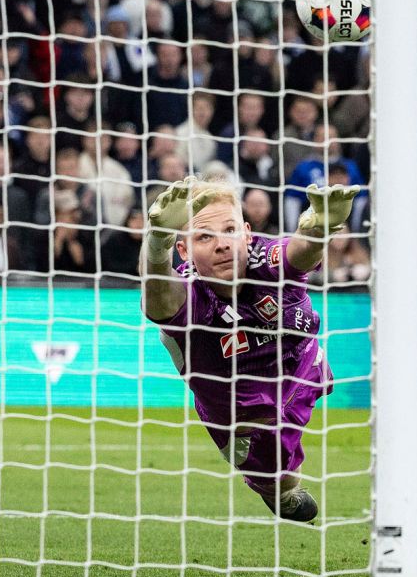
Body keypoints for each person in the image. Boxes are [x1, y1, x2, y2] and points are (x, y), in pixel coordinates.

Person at [141, 176, 359, 521]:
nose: (222, 244)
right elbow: (159, 303)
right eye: (204, 236)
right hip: (236, 406)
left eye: (229, 230)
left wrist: (319, 229)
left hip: (298, 363)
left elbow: (298, 252)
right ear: (184, 251)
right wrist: (158, 245)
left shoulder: (265, 259)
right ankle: (279, 491)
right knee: (280, 480)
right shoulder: (191, 293)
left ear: (246, 232)